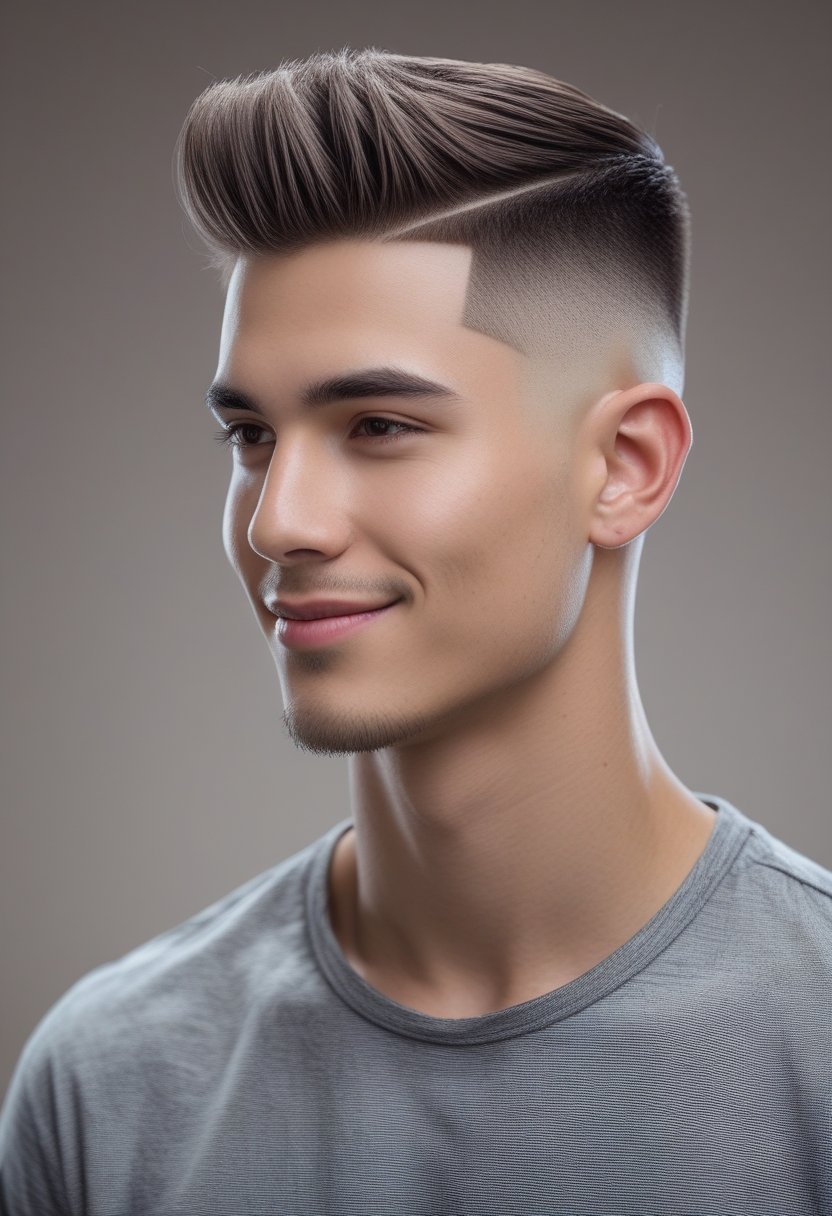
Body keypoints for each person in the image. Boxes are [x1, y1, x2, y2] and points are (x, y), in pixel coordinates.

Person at [1, 46, 829, 1216]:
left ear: (625, 466)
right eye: (251, 438)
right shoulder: (108, 1086)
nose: (279, 520)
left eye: (379, 424)